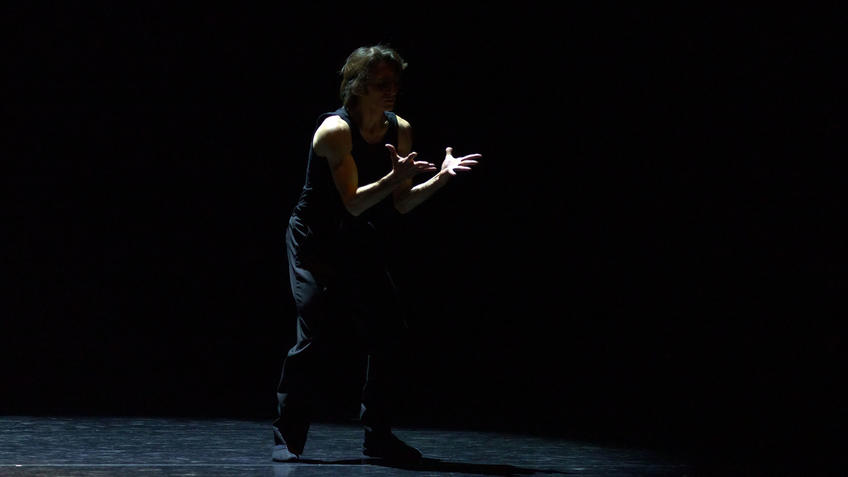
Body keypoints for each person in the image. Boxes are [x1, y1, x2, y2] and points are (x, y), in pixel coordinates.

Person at [272, 44, 482, 464]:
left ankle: (378, 437)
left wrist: (440, 178)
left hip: (355, 234)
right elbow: (351, 201)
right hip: (314, 236)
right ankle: (287, 436)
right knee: (316, 330)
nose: (392, 91)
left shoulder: (400, 129)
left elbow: (401, 203)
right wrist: (392, 177)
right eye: (382, 84)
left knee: (389, 330)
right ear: (358, 86)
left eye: (395, 83)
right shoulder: (334, 130)